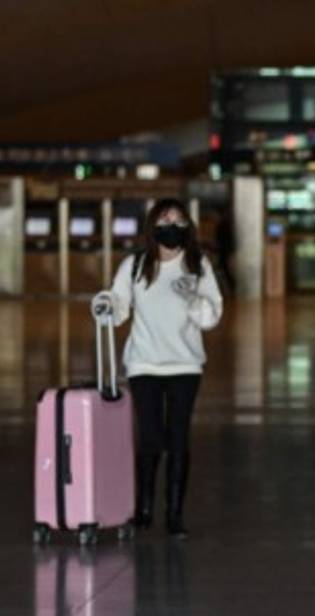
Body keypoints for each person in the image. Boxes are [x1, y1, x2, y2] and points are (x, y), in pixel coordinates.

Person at [102, 198, 223, 538]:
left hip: (185, 365)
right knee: (150, 439)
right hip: (144, 364)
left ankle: (174, 514)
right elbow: (120, 305)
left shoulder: (198, 264)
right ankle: (142, 510)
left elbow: (212, 315)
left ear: (188, 227)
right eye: (165, 218)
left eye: (179, 219)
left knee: (178, 439)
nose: (172, 225)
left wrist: (192, 299)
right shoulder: (136, 265)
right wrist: (107, 304)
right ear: (153, 225)